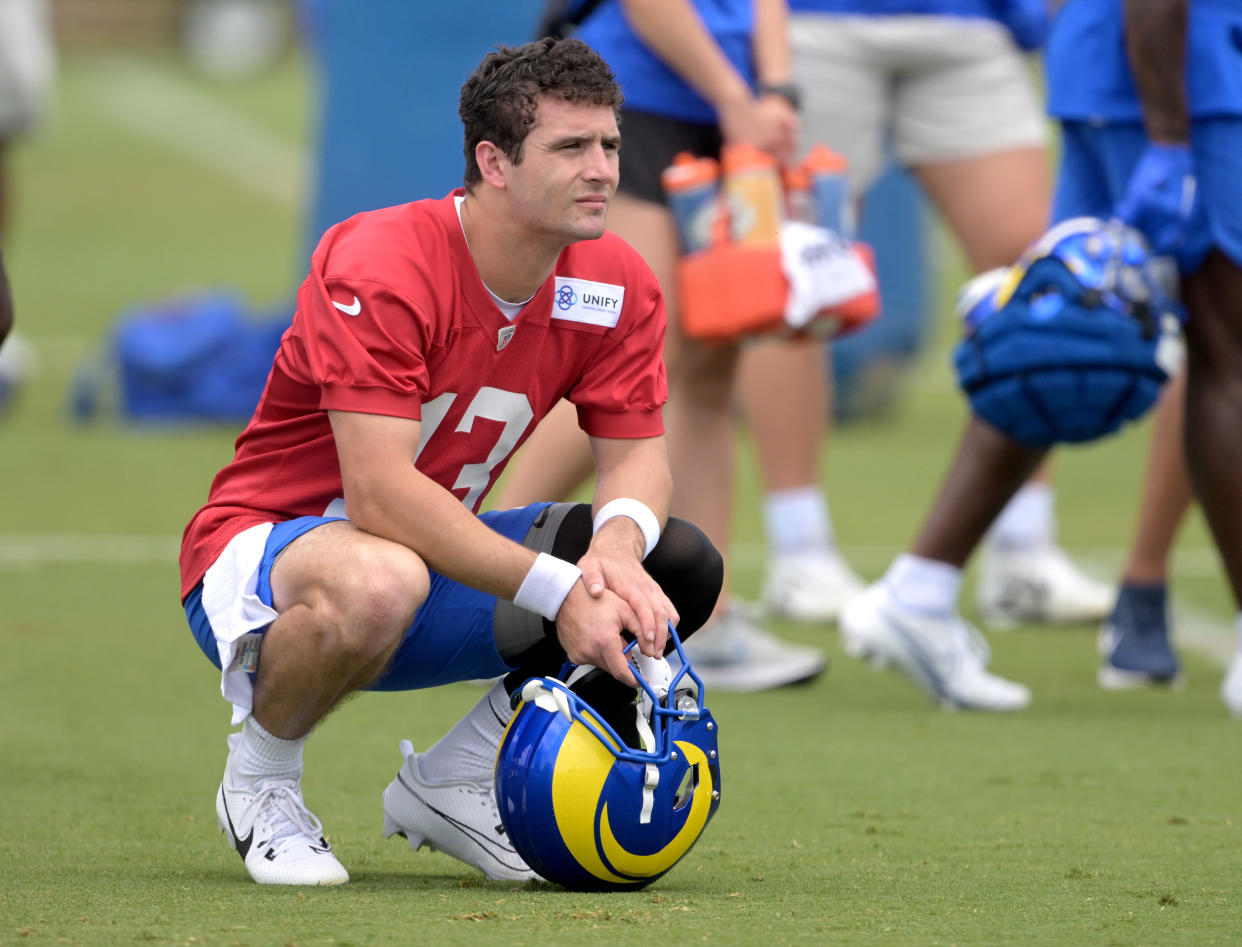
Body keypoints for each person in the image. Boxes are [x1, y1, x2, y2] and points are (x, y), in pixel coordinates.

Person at [179, 37, 724, 886]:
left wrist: (612, 556)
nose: (603, 170)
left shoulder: (613, 279)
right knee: (379, 576)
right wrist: (558, 587)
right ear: (493, 162)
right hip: (270, 560)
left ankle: (457, 778)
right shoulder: (383, 259)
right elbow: (379, 493)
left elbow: (639, 459)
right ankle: (259, 780)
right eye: (570, 148)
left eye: (611, 145)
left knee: (675, 563)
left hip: (430, 564)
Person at [841, 0, 1242, 715]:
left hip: (1115, 65)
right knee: (1227, 349)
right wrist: (1172, 137)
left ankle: (920, 589)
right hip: (1181, 77)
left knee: (1058, 338)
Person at [741, 0, 1114, 637]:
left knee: (1034, 280)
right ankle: (800, 551)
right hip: (813, 23)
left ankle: (1022, 549)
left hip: (968, 22)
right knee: (796, 283)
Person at [495, 0, 833, 691]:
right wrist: (738, 96)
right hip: (642, 97)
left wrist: (775, 91)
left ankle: (704, 624)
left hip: (730, 111)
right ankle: (489, 586)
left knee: (713, 360)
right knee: (640, 354)